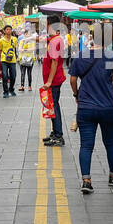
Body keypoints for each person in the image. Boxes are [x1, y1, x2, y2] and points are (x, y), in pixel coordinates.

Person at [69, 42, 113, 193]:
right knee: (111, 143)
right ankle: (112, 175)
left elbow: (72, 80)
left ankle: (86, 180)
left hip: (86, 107)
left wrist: (76, 94)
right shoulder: (111, 57)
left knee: (86, 145)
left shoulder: (79, 56)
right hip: (108, 107)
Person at [42, 15, 68, 146]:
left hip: (54, 80)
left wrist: (49, 81)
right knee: (52, 106)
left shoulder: (55, 41)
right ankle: (55, 132)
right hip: (54, 79)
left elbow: (54, 62)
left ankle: (58, 135)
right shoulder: (54, 40)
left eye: (46, 24)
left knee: (54, 106)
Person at [0, 24, 19, 98]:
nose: (8, 31)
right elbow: (0, 49)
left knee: (13, 76)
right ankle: (5, 91)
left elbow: (15, 47)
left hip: (12, 60)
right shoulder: (1, 40)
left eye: (10, 29)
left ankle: (11, 89)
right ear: (4, 31)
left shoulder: (14, 39)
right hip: (4, 60)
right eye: (7, 29)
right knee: (5, 75)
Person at [17, 27, 36, 91]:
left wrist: (24, 50)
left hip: (30, 59)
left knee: (29, 73)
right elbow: (19, 49)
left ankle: (29, 86)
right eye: (26, 34)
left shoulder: (32, 41)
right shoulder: (21, 41)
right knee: (22, 73)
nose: (28, 35)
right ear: (24, 34)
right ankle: (22, 86)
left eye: (29, 34)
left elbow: (33, 49)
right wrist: (26, 50)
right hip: (22, 59)